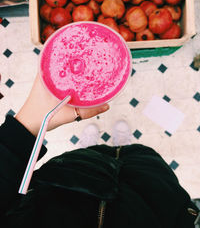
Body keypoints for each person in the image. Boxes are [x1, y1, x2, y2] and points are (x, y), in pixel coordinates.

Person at [0, 73, 199, 228]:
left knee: (87, 160)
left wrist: (30, 122)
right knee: (136, 156)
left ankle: (90, 152)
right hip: (149, 198)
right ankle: (112, 150)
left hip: (68, 179)